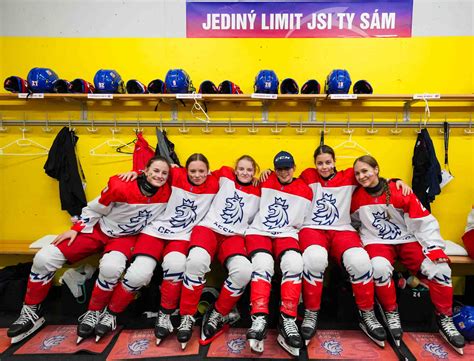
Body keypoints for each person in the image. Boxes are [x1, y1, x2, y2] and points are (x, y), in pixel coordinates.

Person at [7, 156, 172, 344]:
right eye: (155, 171)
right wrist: (76, 229)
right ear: (145, 170)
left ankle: (95, 312)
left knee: (111, 268)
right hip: (99, 229)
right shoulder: (121, 184)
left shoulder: (169, 190)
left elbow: (190, 178)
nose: (159, 176)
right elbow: (96, 208)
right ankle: (31, 310)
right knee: (45, 258)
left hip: (125, 238)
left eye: (164, 173)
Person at [94, 153, 219, 343]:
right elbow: (154, 173)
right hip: (153, 231)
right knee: (139, 273)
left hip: (181, 236)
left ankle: (165, 314)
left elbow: (241, 177)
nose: (197, 175)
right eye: (192, 171)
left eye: (201, 171)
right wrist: (137, 173)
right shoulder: (175, 174)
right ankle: (111, 313)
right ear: (185, 170)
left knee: (176, 265)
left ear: (208, 171)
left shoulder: (215, 181)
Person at [298, 145, 412, 347]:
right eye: (320, 163)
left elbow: (374, 177)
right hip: (313, 228)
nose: (324, 167)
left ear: (334, 162)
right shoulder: (307, 175)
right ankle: (311, 312)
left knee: (360, 262)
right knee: (314, 259)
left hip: (342, 228)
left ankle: (366, 313)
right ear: (314, 164)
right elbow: (285, 181)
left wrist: (396, 182)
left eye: (328, 162)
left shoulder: (350, 175)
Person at [351, 155, 465, 354]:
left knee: (440, 269)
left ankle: (445, 317)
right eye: (358, 173)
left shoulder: (398, 190)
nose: (362, 176)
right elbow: (352, 222)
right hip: (376, 242)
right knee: (378, 268)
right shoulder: (356, 197)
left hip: (406, 240)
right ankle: (390, 311)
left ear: (376, 169)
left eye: (365, 171)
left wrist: (434, 248)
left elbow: (423, 221)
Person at [177, 155, 261, 348]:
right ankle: (187, 316)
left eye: (249, 169)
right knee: (196, 261)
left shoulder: (260, 188)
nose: (245, 173)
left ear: (254, 171)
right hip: (208, 229)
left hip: (234, 236)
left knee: (243, 271)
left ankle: (219, 312)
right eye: (241, 168)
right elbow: (196, 175)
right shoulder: (224, 175)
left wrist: (266, 174)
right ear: (235, 169)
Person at [245, 151, 312, 357]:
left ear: (294, 167)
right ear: (274, 169)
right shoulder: (263, 181)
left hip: (287, 233)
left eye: (287, 168)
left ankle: (288, 318)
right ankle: (259, 317)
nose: (284, 172)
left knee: (294, 263)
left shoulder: (305, 189)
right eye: (279, 168)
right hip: (259, 231)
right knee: (262, 264)